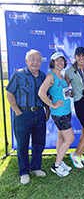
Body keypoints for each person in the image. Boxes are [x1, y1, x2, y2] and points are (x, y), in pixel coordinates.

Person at [6, 49, 50, 184]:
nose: (35, 63)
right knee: (22, 144)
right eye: (33, 60)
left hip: (39, 113)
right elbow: (9, 93)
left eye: (38, 60)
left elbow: (46, 94)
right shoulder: (18, 75)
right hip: (23, 114)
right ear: (26, 61)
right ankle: (24, 171)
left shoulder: (43, 76)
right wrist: (17, 111)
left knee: (39, 142)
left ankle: (36, 167)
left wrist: (47, 110)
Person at [38, 51, 74, 177]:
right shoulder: (51, 75)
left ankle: (60, 160)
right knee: (70, 139)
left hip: (66, 111)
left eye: (61, 60)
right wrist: (52, 105)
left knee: (61, 138)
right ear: (52, 62)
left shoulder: (61, 75)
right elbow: (41, 93)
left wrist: (70, 94)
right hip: (59, 113)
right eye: (57, 60)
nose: (60, 62)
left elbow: (60, 92)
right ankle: (56, 166)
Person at [65, 47, 84, 169]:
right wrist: (70, 94)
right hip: (79, 102)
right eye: (79, 56)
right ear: (75, 57)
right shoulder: (70, 71)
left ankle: (81, 155)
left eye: (83, 56)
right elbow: (64, 87)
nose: (81, 58)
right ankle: (76, 154)